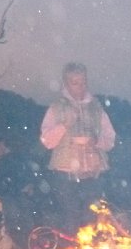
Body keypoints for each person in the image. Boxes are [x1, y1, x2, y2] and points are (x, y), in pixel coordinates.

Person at [40, 62, 116, 234]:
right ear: (66, 84)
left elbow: (110, 140)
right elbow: (47, 141)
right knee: (70, 218)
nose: (80, 87)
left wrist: (96, 141)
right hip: (65, 175)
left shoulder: (97, 108)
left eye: (83, 82)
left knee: (91, 219)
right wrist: (64, 125)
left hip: (93, 173)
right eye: (75, 83)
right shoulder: (56, 108)